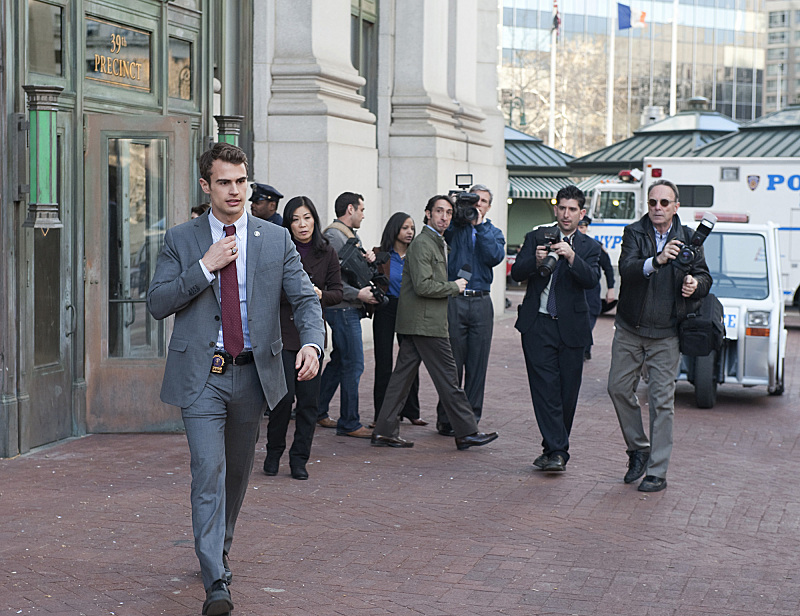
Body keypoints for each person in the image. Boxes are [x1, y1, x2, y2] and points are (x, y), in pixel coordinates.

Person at [147, 143, 324, 616]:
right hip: (202, 376)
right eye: (224, 182)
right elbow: (158, 301)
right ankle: (216, 581)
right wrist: (206, 266)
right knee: (208, 471)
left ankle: (218, 547)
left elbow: (305, 300)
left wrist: (312, 343)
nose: (234, 191)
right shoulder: (182, 239)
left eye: (241, 181)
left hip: (252, 377)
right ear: (206, 186)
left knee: (237, 473)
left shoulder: (275, 239)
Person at [371, 195, 499, 451]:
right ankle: (466, 431)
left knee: (400, 379)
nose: (444, 217)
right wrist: (454, 287)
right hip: (426, 323)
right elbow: (422, 285)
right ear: (427, 213)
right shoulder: (422, 244)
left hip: (423, 321)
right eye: (439, 211)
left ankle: (384, 431)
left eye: (449, 213)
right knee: (450, 378)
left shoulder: (436, 241)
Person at [607, 179, 711, 493]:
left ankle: (657, 471)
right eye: (653, 202)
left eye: (664, 203)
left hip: (667, 333)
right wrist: (657, 260)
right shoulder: (633, 232)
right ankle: (639, 448)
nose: (657, 208)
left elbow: (705, 277)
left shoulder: (691, 237)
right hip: (630, 328)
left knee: (661, 402)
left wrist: (695, 286)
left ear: (676, 206)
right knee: (617, 388)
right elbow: (627, 268)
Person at [511, 185, 600, 473]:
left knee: (567, 392)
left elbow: (591, 280)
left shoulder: (590, 247)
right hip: (537, 323)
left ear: (581, 213)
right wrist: (536, 260)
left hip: (572, 327)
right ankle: (559, 452)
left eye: (572, 209)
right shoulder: (536, 236)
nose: (565, 214)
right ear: (555, 209)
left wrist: (572, 257)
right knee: (544, 388)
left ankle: (552, 449)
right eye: (562, 207)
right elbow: (517, 273)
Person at [263, 196, 343, 480]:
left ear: (315, 219)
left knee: (309, 403)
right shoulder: (278, 249)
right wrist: (297, 291)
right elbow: (267, 292)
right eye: (296, 219)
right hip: (282, 335)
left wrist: (318, 294)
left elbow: (338, 291)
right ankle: (273, 453)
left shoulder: (327, 251)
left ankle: (299, 459)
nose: (302, 224)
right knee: (282, 401)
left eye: (307, 217)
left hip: (311, 335)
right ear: (288, 223)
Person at [436, 184, 505, 436]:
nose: (478, 205)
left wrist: (480, 225)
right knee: (452, 363)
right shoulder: (454, 227)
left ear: (488, 206)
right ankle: (446, 418)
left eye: (483, 201)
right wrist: (454, 210)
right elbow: (441, 235)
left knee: (478, 365)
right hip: (454, 299)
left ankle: (471, 419)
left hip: (481, 301)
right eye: (474, 200)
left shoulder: (493, 232)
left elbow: (494, 256)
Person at [316, 192, 377, 438]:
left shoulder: (348, 235)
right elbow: (330, 279)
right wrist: (358, 294)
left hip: (346, 307)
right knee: (354, 364)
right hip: (342, 308)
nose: (363, 214)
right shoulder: (334, 236)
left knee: (341, 361)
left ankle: (317, 410)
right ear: (350, 209)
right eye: (361, 209)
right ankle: (349, 422)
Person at [371, 212, 424, 426]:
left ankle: (411, 411)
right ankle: (380, 415)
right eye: (405, 228)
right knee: (383, 363)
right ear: (394, 230)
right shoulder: (380, 254)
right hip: (386, 308)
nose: (410, 232)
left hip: (409, 309)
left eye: (412, 227)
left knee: (410, 360)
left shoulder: (416, 254)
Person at [577, 215, 615, 360]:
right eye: (579, 227)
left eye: (583, 227)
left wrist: (610, 288)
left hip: (592, 291)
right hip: (577, 289)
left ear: (586, 228)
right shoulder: (568, 245)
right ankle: (582, 348)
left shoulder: (595, 246)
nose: (581, 230)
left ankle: (585, 348)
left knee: (589, 318)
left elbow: (608, 268)